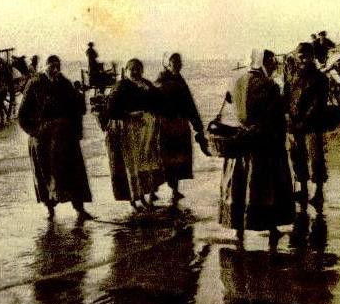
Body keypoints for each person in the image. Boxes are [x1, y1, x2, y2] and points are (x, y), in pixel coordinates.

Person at [219, 50, 294, 242]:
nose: (274, 67)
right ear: (262, 63)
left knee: (238, 186)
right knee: (266, 188)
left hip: (241, 141)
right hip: (263, 144)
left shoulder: (236, 82)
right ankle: (271, 228)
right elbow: (278, 114)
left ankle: (238, 229)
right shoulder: (270, 85)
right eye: (271, 64)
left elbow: (231, 106)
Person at [18, 55, 93, 220]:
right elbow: (22, 115)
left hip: (65, 137)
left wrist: (80, 94)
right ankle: (50, 211)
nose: (54, 69)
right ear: (44, 67)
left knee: (73, 173)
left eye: (57, 66)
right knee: (46, 175)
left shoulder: (64, 83)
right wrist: (35, 132)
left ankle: (80, 210)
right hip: (43, 139)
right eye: (51, 66)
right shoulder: (34, 83)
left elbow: (78, 109)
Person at [104, 58, 164, 211]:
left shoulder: (146, 84)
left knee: (146, 164)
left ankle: (145, 198)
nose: (136, 71)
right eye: (133, 69)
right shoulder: (121, 86)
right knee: (132, 165)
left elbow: (158, 100)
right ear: (127, 70)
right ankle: (134, 200)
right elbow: (111, 110)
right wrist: (130, 115)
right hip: (129, 130)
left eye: (139, 68)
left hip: (145, 131)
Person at [154, 53, 209, 204]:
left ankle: (174, 190)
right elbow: (154, 103)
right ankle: (155, 190)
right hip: (166, 126)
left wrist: (197, 126)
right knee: (165, 159)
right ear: (167, 63)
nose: (178, 64)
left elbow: (189, 104)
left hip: (180, 125)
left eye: (179, 62)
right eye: (174, 62)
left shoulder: (179, 80)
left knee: (178, 159)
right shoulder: (161, 81)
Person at [285, 42, 329, 206]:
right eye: (299, 56)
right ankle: (303, 189)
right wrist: (288, 117)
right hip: (295, 125)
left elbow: (318, 104)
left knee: (316, 157)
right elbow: (287, 98)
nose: (302, 60)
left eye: (305, 56)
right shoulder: (293, 77)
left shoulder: (321, 78)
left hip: (313, 125)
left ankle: (318, 193)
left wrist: (304, 120)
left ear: (312, 57)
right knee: (297, 157)